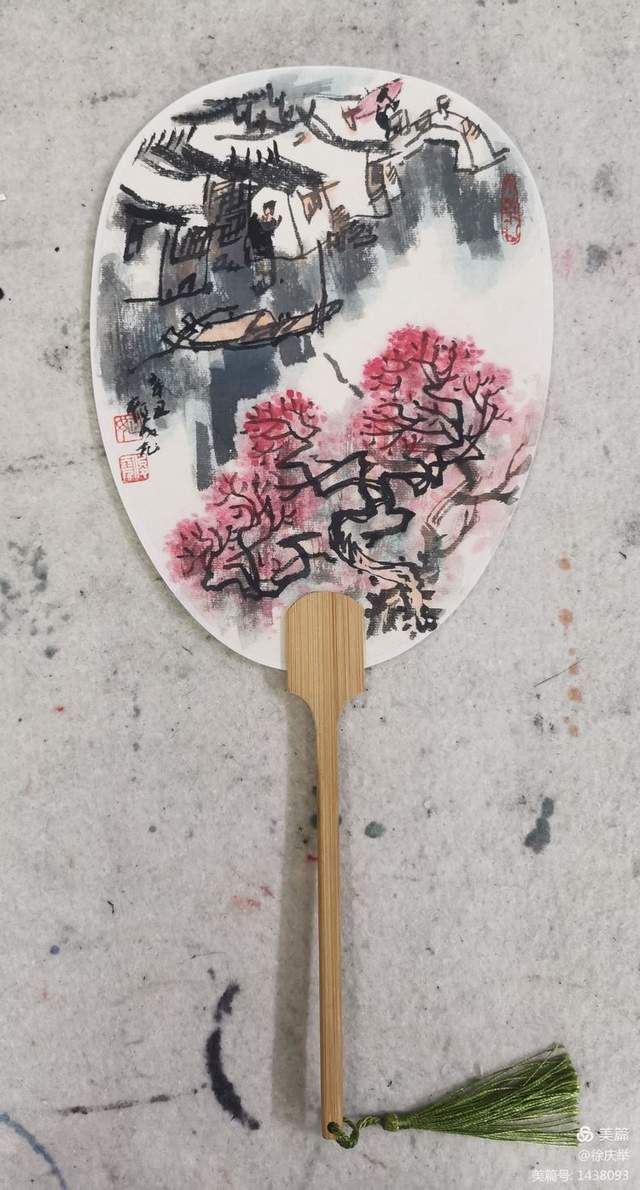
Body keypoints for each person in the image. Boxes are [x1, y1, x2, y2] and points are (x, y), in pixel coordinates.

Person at [247, 200, 282, 291]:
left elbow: (269, 230)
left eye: (272, 209)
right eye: (269, 209)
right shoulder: (257, 219)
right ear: (264, 209)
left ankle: (265, 280)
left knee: (266, 266)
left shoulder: (272, 221)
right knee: (259, 266)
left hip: (266, 248)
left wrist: (276, 224)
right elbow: (261, 229)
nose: (271, 211)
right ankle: (259, 280)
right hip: (257, 246)